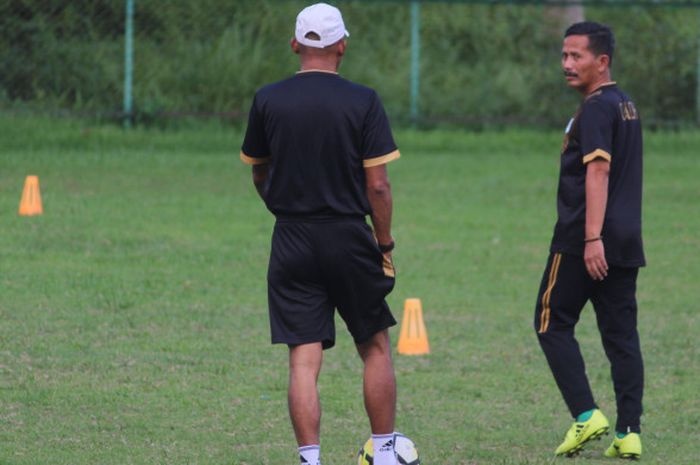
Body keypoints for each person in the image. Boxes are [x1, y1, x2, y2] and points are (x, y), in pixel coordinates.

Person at [239, 4, 401, 465]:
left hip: (291, 239)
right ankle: (385, 453)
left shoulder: (268, 99)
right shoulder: (363, 100)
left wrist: (284, 209)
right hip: (349, 237)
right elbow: (378, 185)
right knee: (374, 345)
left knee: (303, 360)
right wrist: (383, 244)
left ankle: (310, 459)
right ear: (342, 45)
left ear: (296, 45)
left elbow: (258, 173)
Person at [533, 21, 645, 460]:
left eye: (576, 56)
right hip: (625, 238)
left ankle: (586, 415)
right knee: (621, 336)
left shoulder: (597, 108)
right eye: (564, 55)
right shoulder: (625, 104)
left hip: (584, 239)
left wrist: (591, 238)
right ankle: (629, 432)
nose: (566, 64)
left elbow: (598, 170)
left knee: (550, 321)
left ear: (602, 61)